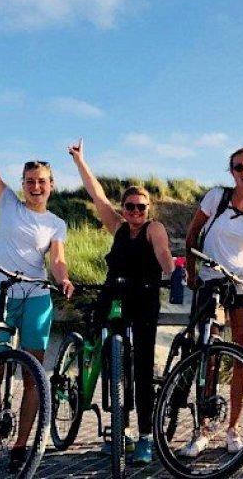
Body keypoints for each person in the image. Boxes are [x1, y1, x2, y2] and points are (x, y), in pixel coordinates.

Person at [0, 93, 74, 472]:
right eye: (30, 181)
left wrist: (65, 279)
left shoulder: (56, 223)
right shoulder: (7, 202)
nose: (35, 186)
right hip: (0, 293)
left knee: (31, 375)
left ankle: (21, 445)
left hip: (37, 299)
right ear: (23, 184)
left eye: (42, 181)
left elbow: (56, 259)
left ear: (51, 185)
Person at [69, 138, 174, 465]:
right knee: (115, 368)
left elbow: (164, 254)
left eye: (141, 207)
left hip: (144, 301)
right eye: (129, 206)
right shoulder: (117, 226)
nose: (135, 212)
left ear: (148, 209)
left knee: (141, 369)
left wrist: (174, 273)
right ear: (123, 208)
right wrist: (79, 160)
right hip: (114, 299)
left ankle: (145, 437)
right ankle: (120, 431)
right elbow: (96, 195)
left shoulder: (153, 229)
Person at [182, 147, 243, 457]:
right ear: (231, 171)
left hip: (242, 283)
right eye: (238, 167)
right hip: (211, 279)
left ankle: (233, 428)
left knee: (241, 357)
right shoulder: (216, 198)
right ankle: (203, 428)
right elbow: (192, 232)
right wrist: (193, 272)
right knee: (208, 353)